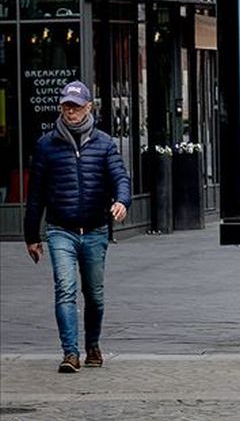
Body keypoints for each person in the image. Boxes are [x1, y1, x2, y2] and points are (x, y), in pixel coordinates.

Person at [24, 81, 131, 373]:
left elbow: (121, 177)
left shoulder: (104, 143)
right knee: (65, 289)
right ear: (61, 108)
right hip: (61, 230)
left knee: (94, 295)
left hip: (95, 230)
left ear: (88, 108)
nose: (70, 111)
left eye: (76, 106)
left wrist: (122, 201)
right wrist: (31, 236)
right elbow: (35, 195)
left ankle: (92, 345)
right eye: (66, 106)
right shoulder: (46, 146)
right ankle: (70, 353)